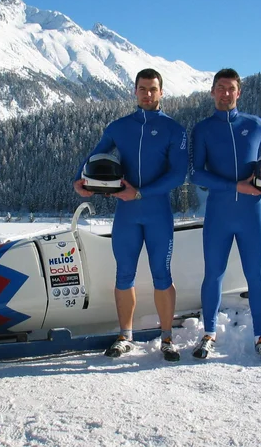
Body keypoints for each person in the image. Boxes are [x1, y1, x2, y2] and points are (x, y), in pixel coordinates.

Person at [189, 68, 261, 360]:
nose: (225, 93)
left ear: (238, 93)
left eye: (231, 88)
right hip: (219, 212)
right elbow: (196, 174)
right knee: (213, 274)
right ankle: (208, 334)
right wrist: (235, 185)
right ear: (212, 91)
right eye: (221, 88)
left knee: (256, 276)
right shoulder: (203, 129)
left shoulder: (256, 125)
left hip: (252, 214)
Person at [73, 68, 188, 361]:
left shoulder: (174, 129)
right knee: (124, 274)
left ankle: (167, 338)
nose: (147, 94)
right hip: (126, 214)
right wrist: (81, 180)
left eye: (153, 89)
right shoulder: (119, 126)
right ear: (134, 91)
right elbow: (94, 157)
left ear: (161, 92)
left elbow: (178, 174)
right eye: (142, 89)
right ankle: (125, 336)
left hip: (156, 211)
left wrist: (139, 193)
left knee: (162, 275)